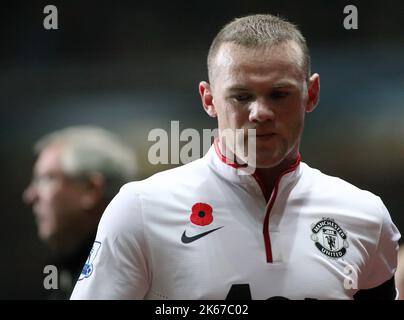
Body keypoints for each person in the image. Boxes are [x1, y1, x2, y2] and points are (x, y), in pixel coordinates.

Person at [71, 14, 400, 300]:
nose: (260, 112)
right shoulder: (139, 210)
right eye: (241, 96)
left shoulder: (366, 216)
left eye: (279, 94)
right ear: (209, 99)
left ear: (310, 94)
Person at [23, 126, 138, 299]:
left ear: (90, 190)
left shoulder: (136, 277)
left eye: (46, 179)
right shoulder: (69, 274)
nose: (30, 196)